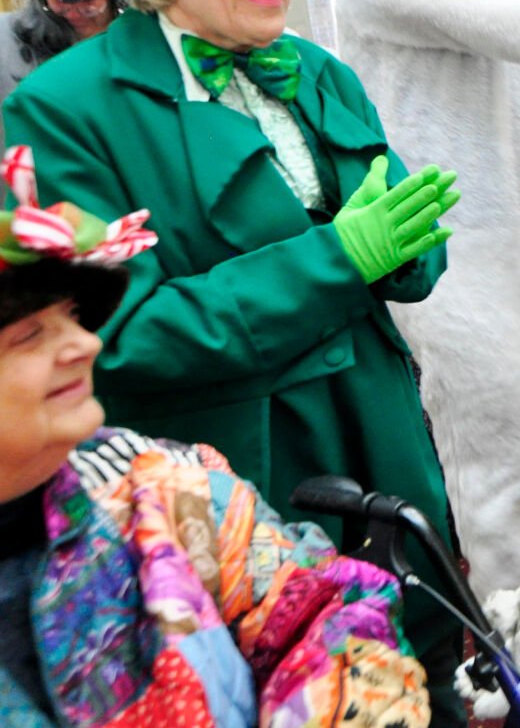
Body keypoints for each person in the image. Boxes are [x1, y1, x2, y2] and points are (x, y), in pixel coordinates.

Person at [0, 0, 468, 721]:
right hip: (237, 477)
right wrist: (338, 257)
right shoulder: (67, 107)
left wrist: (406, 251)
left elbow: (413, 248)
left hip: (383, 436)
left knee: (424, 658)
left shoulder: (320, 71)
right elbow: (121, 338)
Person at [0, 149, 434, 726]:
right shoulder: (69, 106)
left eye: (76, 316)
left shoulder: (167, 492)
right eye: (29, 335)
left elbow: (328, 617)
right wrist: (330, 259)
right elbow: (140, 333)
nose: (87, 345)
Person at [0, 0, 130, 120]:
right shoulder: (6, 38)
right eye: (60, 0)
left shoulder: (143, 36)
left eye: (89, 0)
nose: (74, 12)